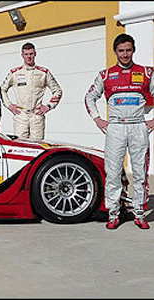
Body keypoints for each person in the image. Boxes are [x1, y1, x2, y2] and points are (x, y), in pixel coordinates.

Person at [85, 33, 154, 230]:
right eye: (121, 50)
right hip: (115, 127)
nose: (125, 54)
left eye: (128, 50)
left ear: (134, 50)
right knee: (113, 172)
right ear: (115, 52)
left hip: (138, 126)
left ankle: (139, 213)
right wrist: (97, 119)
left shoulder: (147, 73)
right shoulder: (105, 75)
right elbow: (89, 97)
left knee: (140, 173)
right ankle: (113, 213)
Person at [0, 42, 63, 140]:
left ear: (35, 54)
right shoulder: (15, 72)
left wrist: (49, 106)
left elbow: (57, 91)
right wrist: (9, 105)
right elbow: (2, 90)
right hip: (21, 115)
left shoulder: (43, 72)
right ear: (22, 55)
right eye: (26, 54)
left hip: (36, 115)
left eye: (31, 54)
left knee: (37, 147)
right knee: (20, 146)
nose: (29, 57)